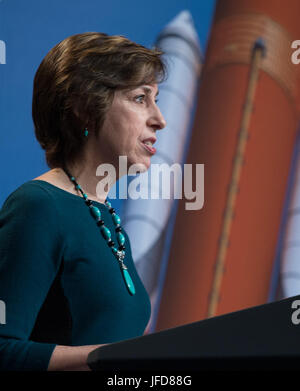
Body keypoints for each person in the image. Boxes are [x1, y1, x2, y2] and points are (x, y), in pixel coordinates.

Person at [0, 32, 166, 371]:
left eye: (157, 99)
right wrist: (114, 359)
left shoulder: (110, 222)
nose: (159, 119)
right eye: (140, 98)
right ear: (84, 107)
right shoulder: (39, 207)